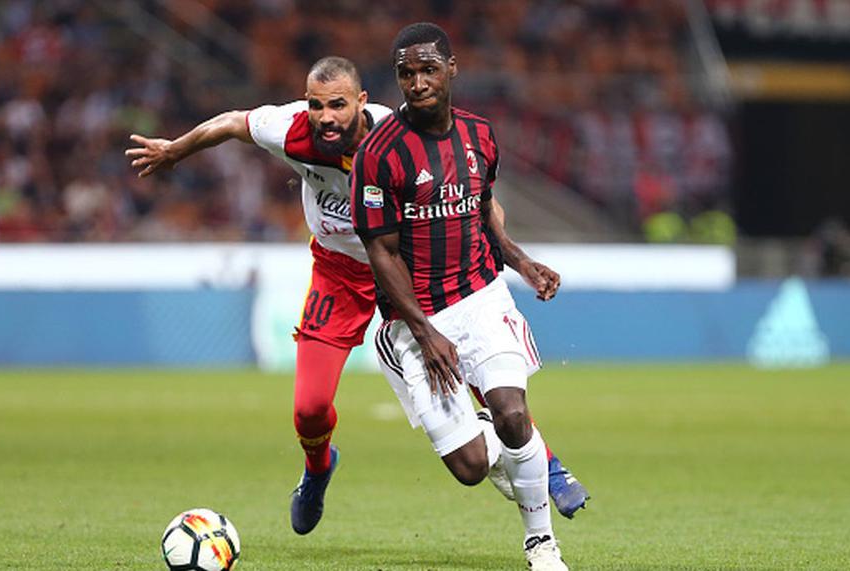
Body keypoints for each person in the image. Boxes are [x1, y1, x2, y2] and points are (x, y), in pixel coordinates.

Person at [125, 56, 588, 538]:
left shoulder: (400, 135)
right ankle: (318, 467)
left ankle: (548, 465)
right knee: (308, 408)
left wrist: (515, 258)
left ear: (362, 102)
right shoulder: (290, 130)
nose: (325, 117)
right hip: (339, 273)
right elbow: (230, 123)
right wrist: (174, 151)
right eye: (316, 105)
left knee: (473, 365)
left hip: (408, 267)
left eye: (338, 106)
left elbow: (482, 200)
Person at [350, 23, 570, 570]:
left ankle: (541, 544)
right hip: (415, 319)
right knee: (472, 467)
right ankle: (495, 441)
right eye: (406, 73)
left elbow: (482, 212)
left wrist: (520, 261)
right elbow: (381, 253)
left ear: (452, 69)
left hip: (481, 296)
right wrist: (426, 334)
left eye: (427, 70)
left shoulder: (480, 136)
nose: (417, 82)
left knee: (515, 413)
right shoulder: (378, 155)